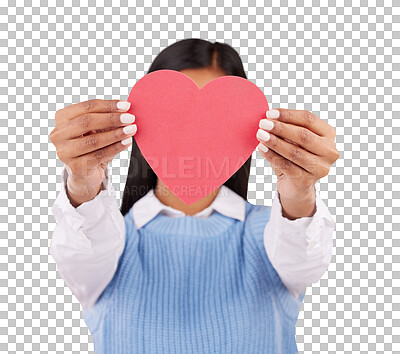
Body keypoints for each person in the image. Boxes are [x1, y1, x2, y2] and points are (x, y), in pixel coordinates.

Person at [49, 39, 339, 354]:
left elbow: (303, 257)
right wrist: (83, 183)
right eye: (175, 114)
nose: (195, 133)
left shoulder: (270, 233)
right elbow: (84, 248)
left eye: (216, 117)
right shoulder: (111, 243)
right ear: (141, 122)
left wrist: (299, 190)